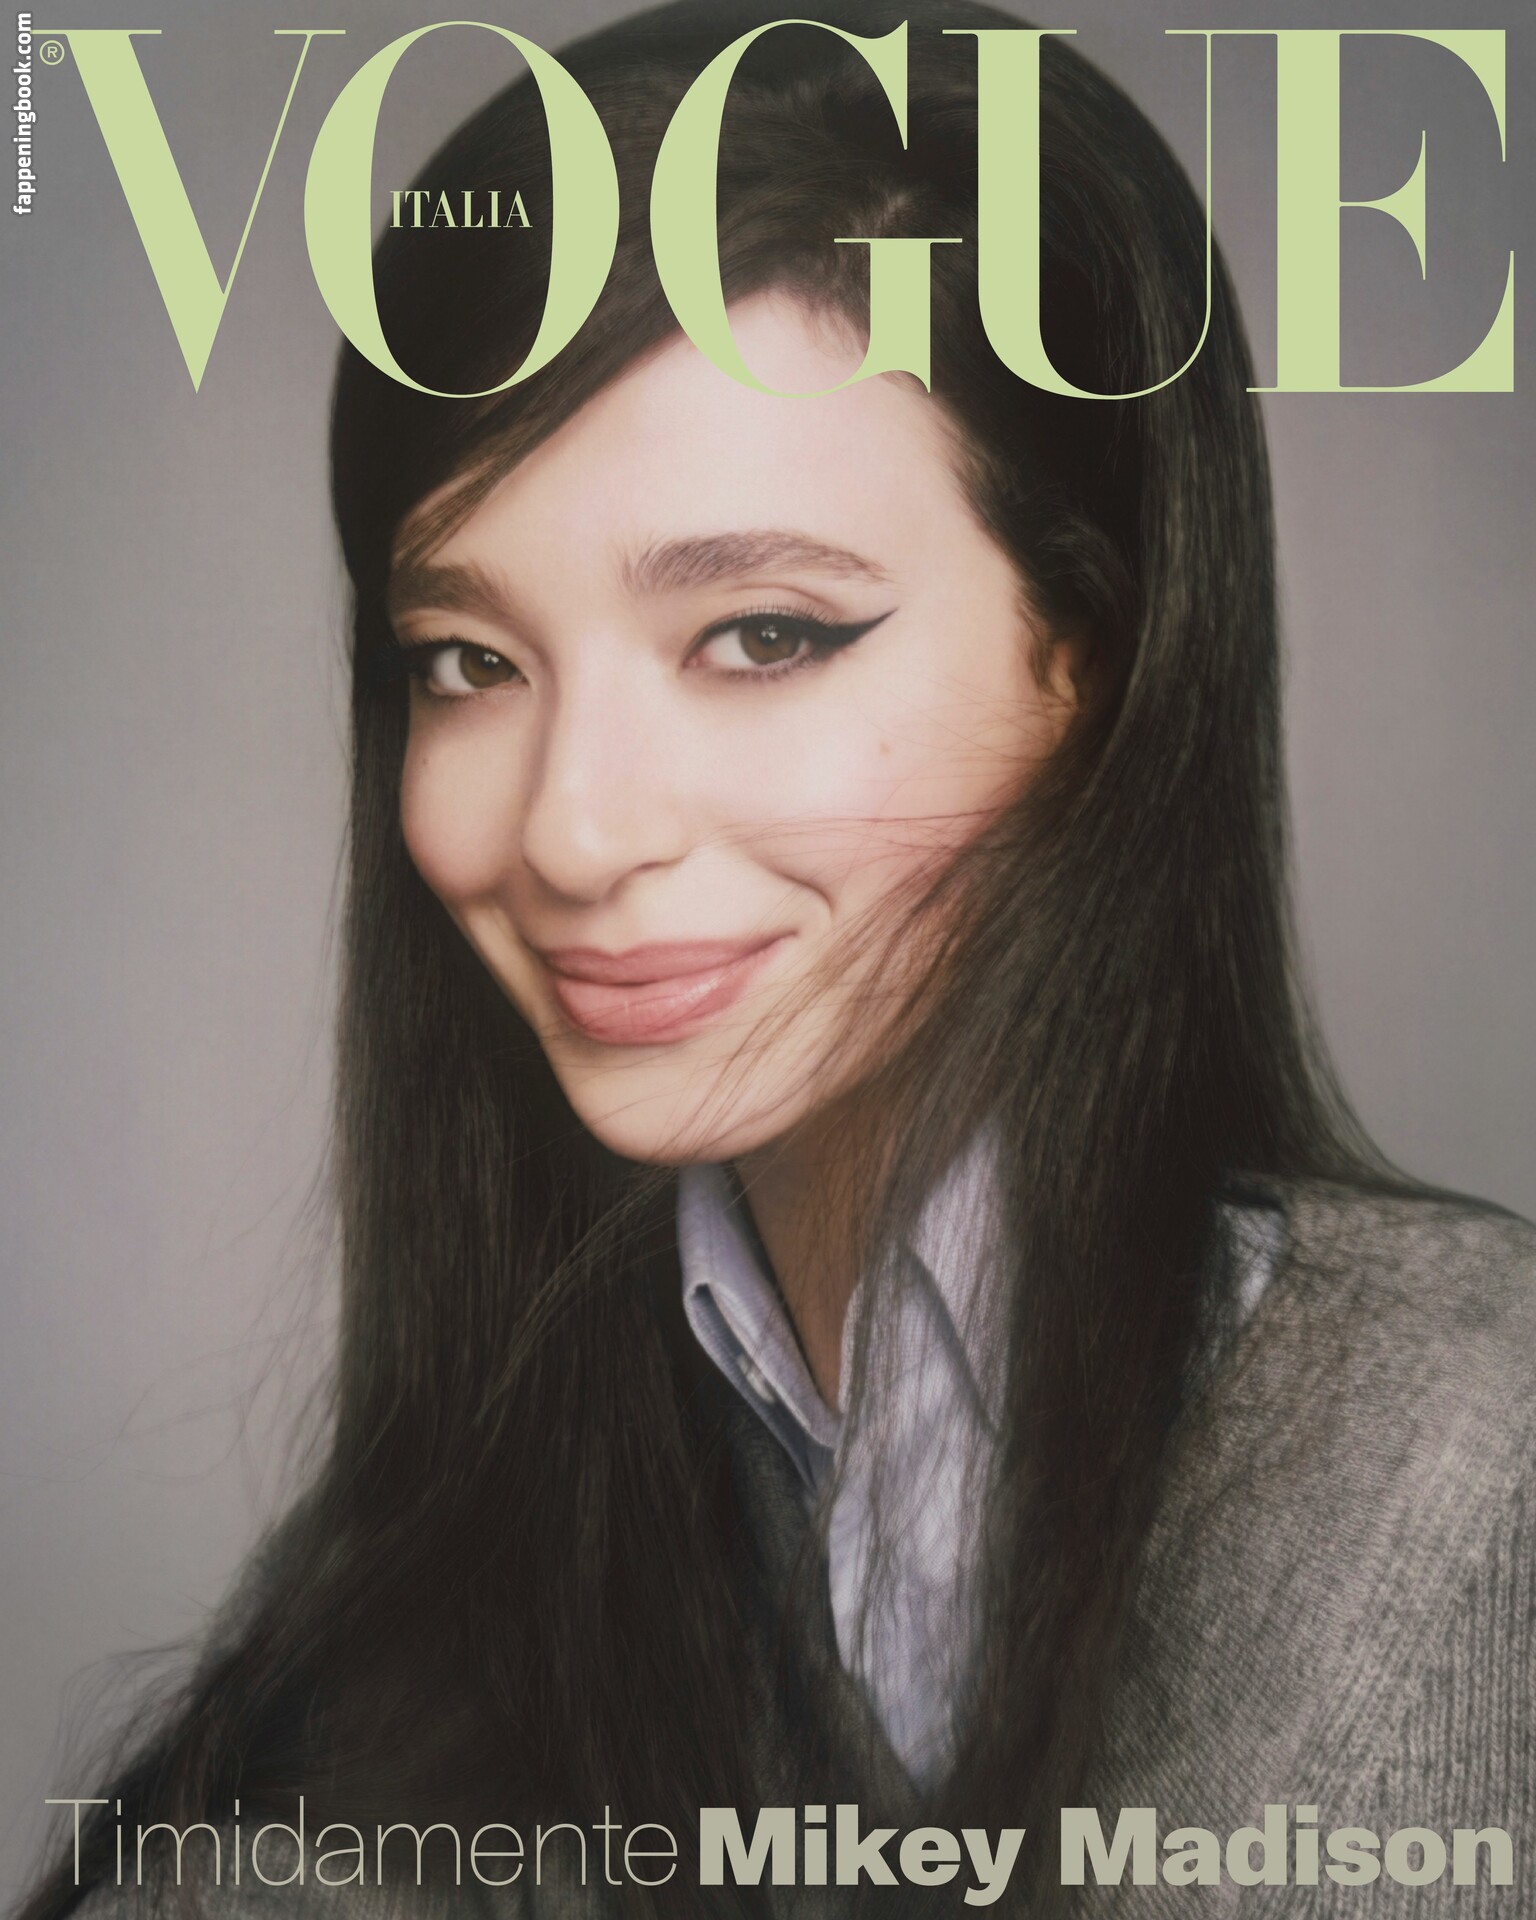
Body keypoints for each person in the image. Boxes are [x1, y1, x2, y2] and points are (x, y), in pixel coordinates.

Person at [24, 1, 1534, 1915]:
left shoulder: (1466, 1468)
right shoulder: (435, 1603)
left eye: (762, 635)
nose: (571, 830)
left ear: (1086, 656)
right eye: (467, 662)